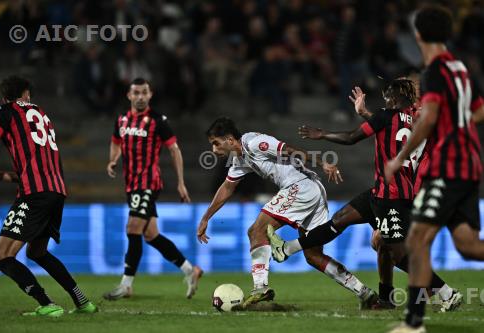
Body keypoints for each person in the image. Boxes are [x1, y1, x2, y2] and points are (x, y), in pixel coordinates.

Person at [268, 79, 461, 312]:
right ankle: (286, 249)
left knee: (396, 255)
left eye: (388, 96)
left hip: (392, 198)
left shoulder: (386, 115)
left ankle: (446, 293)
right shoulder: (417, 121)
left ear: (398, 96)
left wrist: (322, 134)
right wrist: (365, 113)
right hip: (382, 193)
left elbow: (352, 137)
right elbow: (389, 126)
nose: (386, 100)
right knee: (340, 220)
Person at [197, 117, 378, 308]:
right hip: (313, 190)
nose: (214, 150)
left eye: (216, 144)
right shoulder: (240, 159)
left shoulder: (255, 143)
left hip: (300, 187)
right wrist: (206, 218)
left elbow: (289, 149)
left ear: (230, 140)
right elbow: (227, 187)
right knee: (313, 256)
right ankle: (366, 294)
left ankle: (260, 289)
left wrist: (322, 162)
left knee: (256, 231)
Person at [385, 5, 484, 333]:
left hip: (449, 166)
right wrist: (462, 122)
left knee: (416, 240)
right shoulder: (460, 68)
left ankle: (413, 324)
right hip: (470, 163)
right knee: (469, 247)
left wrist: (400, 158)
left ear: (418, 35)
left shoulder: (435, 72)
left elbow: (426, 119)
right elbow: (480, 108)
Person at [0, 76, 97, 316]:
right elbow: (29, 169)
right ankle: (82, 302)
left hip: (34, 194)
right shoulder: (42, 115)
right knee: (37, 252)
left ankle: (46, 303)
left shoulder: (3, 111)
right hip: (56, 192)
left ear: (5, 97)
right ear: (26, 94)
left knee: (2, 257)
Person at [103, 78, 202, 300]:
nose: (140, 96)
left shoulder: (158, 121)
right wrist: (113, 160)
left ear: (150, 95)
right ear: (129, 95)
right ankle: (190, 270)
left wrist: (181, 182)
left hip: (148, 182)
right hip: (131, 184)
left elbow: (174, 150)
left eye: (144, 92)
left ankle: (126, 285)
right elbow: (116, 141)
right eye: (136, 92)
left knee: (132, 228)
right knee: (151, 235)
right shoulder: (121, 119)